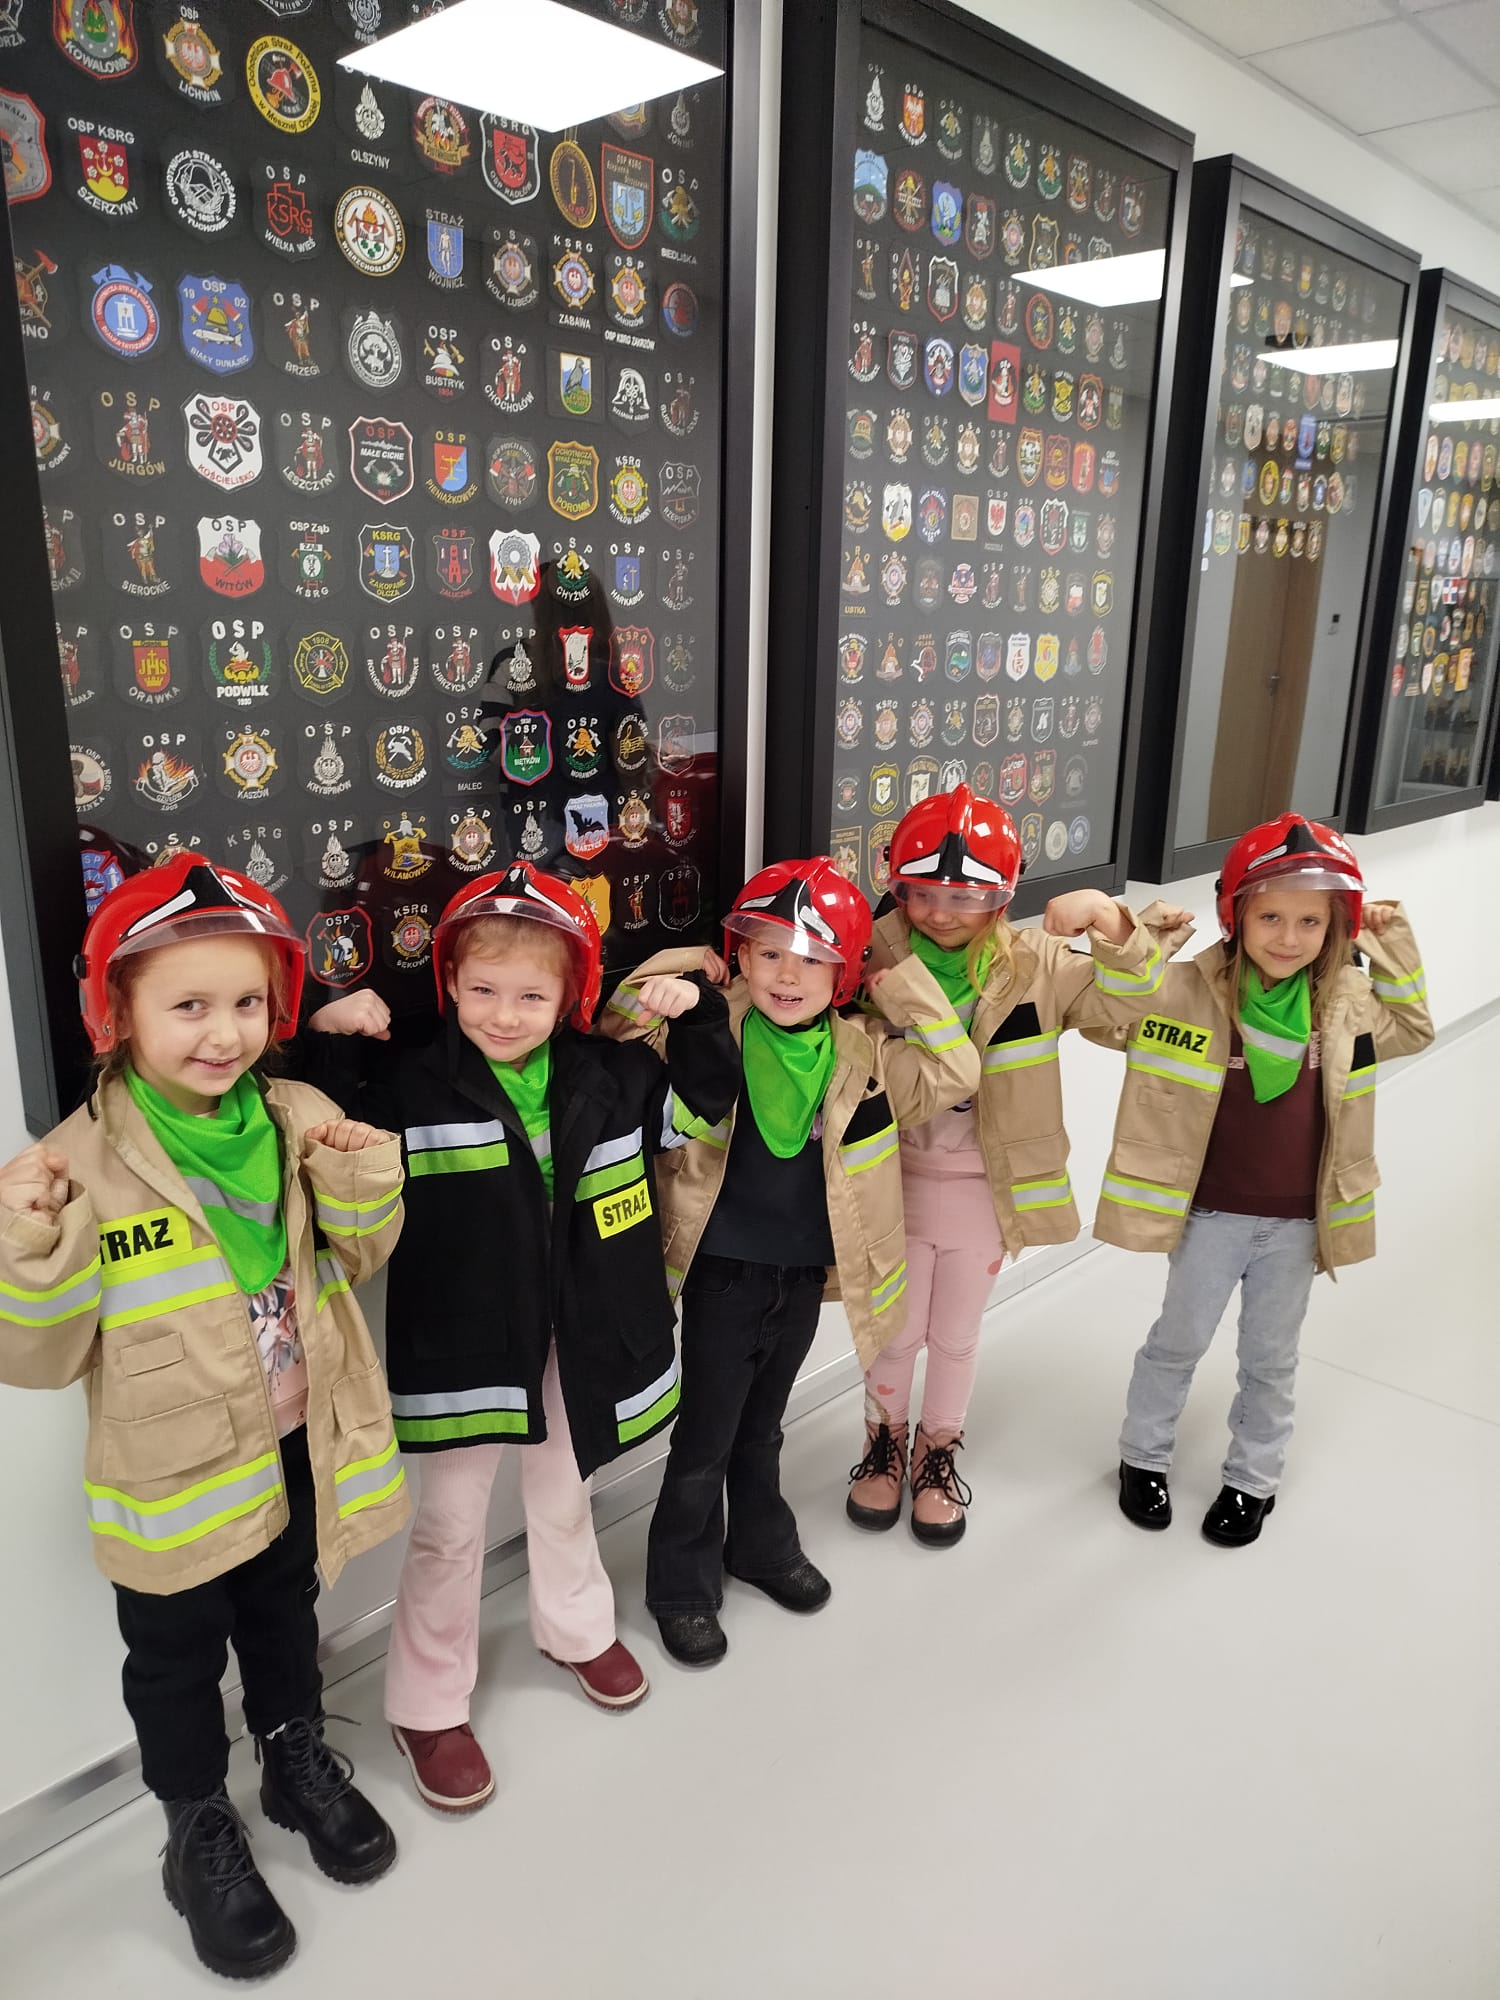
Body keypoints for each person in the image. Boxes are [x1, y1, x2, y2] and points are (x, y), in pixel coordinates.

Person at [0, 858, 408, 1981]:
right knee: (173, 1663)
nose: (224, 1034)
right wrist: (27, 1243)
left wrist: (364, 1175)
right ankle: (195, 1827)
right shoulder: (73, 1166)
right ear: (116, 1013)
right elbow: (38, 1355)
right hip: (170, 1477)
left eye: (246, 1003)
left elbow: (359, 1258)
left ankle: (292, 1760)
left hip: (293, 1442)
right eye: (187, 1005)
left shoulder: (300, 1114)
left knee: (285, 1615)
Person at [304, 862, 738, 1810]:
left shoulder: (618, 1074)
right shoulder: (410, 1081)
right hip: (467, 1339)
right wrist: (330, 1043)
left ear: (571, 994)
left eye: (532, 996)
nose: (505, 1015)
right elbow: (331, 1155)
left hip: (579, 1333)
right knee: (451, 1525)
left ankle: (575, 1630)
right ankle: (426, 1703)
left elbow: (701, 1109)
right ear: (449, 983)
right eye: (483, 991)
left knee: (564, 1493)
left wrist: (701, 1016)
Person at [604, 856, 981, 1667]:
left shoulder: (863, 1050)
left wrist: (897, 987)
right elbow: (618, 1021)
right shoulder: (711, 1022)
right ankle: (681, 1586)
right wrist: (688, 974)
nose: (786, 974)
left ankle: (760, 1546)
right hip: (720, 1272)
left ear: (844, 974)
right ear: (739, 955)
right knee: (706, 1435)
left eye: (813, 959)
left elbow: (957, 1070)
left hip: (804, 1273)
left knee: (764, 1426)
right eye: (769, 952)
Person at [847, 785, 1182, 1543]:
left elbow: (1130, 1010)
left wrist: (1111, 920)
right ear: (895, 883)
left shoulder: (1037, 963)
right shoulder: (867, 955)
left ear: (1002, 896)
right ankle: (882, 1445)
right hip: (889, 1179)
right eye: (923, 893)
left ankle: (937, 1452)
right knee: (894, 1331)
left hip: (986, 1189)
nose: (941, 913)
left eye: (965, 898)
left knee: (955, 1334)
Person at [1090, 814, 1432, 1546]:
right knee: (1177, 1342)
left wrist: (1391, 938)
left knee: (1270, 1359)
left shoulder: (1346, 999)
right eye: (1270, 916)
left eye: (1311, 921)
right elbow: (1107, 1018)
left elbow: (1413, 1027)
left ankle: (1253, 1477)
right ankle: (1141, 1458)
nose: (1288, 937)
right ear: (1235, 915)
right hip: (1210, 1216)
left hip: (1299, 1223)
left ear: (1335, 927)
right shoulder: (1186, 990)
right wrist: (1148, 941)